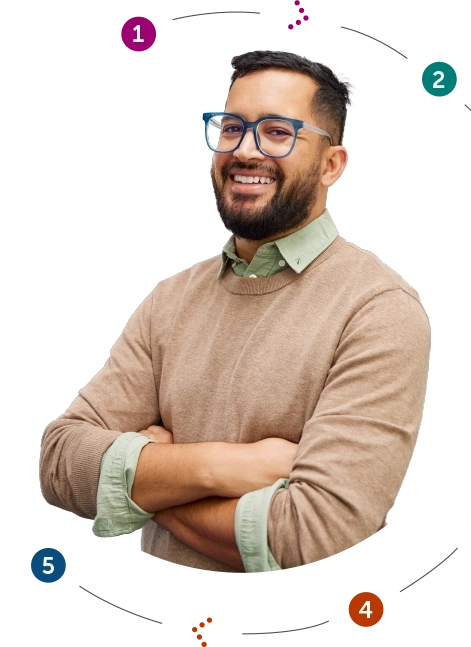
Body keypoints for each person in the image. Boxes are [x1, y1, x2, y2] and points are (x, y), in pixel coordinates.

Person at [39, 50, 431, 573]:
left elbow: (311, 532)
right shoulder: (171, 300)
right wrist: (227, 467)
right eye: (231, 127)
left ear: (331, 164)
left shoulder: (377, 310)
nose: (245, 150)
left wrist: (149, 479)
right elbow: (62, 464)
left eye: (277, 131)